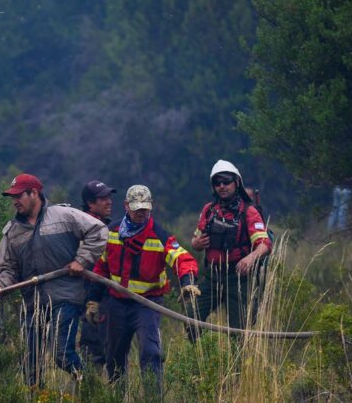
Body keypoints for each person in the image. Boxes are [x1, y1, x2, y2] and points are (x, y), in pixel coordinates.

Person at [0, 174, 107, 386]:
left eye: (19, 196)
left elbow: (98, 230)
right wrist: (0, 285)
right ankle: (37, 400)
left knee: (61, 353)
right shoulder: (12, 232)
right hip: (33, 303)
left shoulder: (64, 216)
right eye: (13, 197)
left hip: (65, 296)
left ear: (34, 193)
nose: (15, 201)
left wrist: (81, 260)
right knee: (30, 361)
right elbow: (7, 268)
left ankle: (90, 388)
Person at [87, 185, 199, 387]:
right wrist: (93, 300)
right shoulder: (111, 232)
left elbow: (182, 258)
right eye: (136, 208)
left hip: (147, 304)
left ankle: (152, 402)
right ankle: (117, 400)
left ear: (151, 206)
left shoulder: (159, 235)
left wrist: (187, 283)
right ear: (126, 206)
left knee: (150, 351)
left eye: (145, 208)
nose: (141, 213)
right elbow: (101, 268)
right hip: (116, 303)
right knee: (114, 356)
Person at [188, 160, 272, 341]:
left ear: (237, 183)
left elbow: (265, 244)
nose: (222, 186)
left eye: (226, 181)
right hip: (212, 276)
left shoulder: (249, 212)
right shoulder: (208, 210)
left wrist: (250, 258)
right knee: (191, 316)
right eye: (217, 183)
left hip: (238, 278)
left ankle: (237, 359)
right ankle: (202, 354)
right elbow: (195, 242)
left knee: (239, 333)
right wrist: (198, 243)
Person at [78, 180, 116, 372]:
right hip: (91, 291)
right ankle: (91, 386)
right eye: (103, 198)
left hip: (104, 290)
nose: (109, 202)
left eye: (109, 197)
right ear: (90, 203)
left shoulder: (105, 225)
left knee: (107, 343)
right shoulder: (84, 226)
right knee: (94, 345)